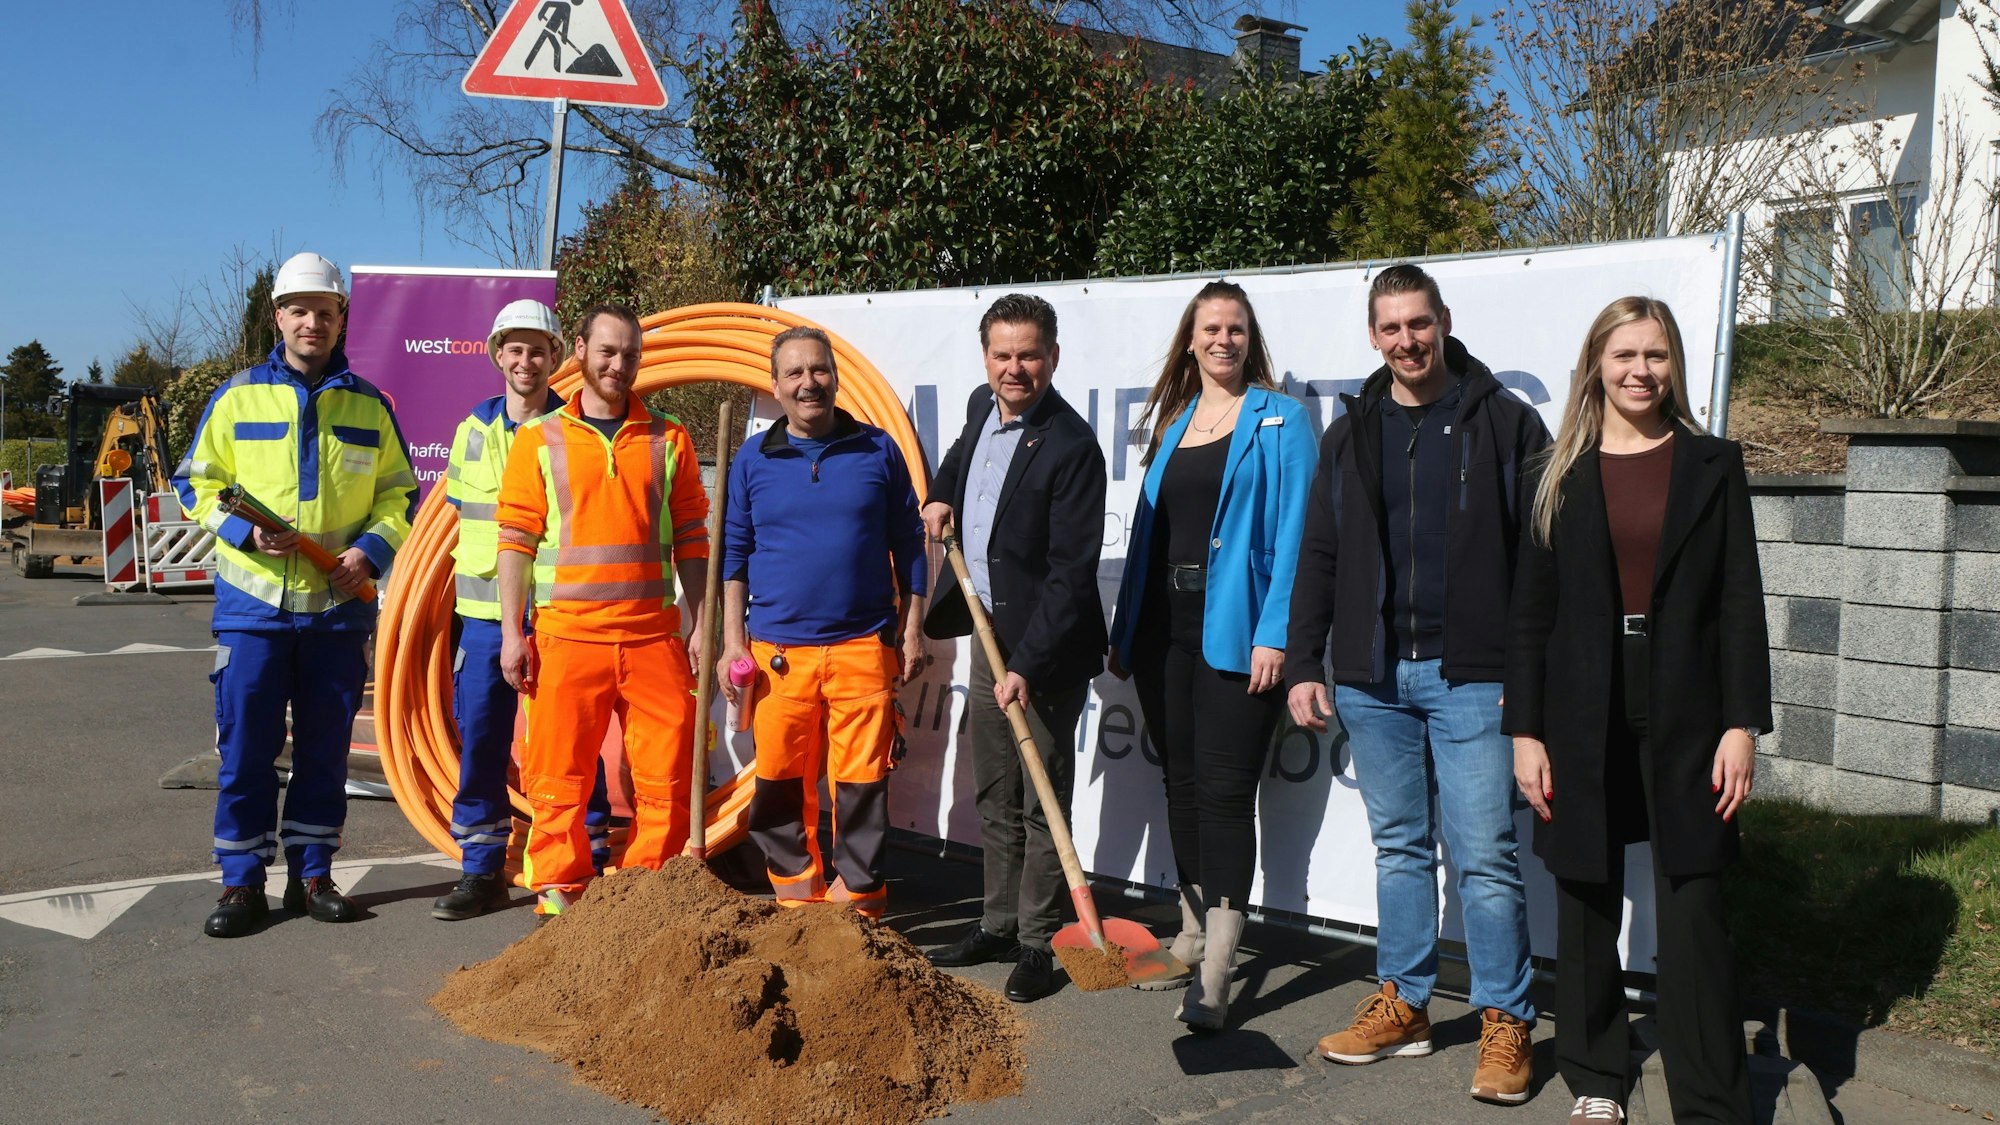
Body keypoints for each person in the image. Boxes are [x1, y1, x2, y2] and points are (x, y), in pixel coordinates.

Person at [1285, 264, 1547, 1105]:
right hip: (1372, 678)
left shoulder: (1505, 422)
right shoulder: (1350, 431)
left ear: (1443, 321)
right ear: (1373, 336)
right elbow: (1319, 552)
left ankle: (1507, 1018)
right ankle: (1404, 1000)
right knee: (1399, 847)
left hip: (1474, 677)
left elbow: (1543, 558)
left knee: (1484, 858)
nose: (1407, 340)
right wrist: (1303, 661)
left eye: (1418, 324)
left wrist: (1529, 670)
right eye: (1391, 327)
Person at [1505, 297, 1768, 1125]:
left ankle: (1710, 1095)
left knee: (1694, 899)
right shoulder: (1555, 472)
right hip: (1581, 698)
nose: (1641, 371)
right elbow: (1530, 611)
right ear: (1597, 363)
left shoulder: (1712, 464)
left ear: (1674, 363)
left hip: (1688, 699)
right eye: (1625, 354)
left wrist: (1741, 723)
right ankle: (1596, 1076)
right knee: (1585, 892)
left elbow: (1739, 599)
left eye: (1656, 355)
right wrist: (1526, 728)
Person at [175, 251, 419, 938]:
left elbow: (402, 493)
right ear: (278, 316)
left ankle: (312, 875)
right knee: (248, 748)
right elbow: (194, 481)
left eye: (325, 310)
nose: (312, 321)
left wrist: (367, 552)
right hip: (254, 612)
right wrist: (245, 538)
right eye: (299, 309)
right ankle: (240, 883)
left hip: (338, 612)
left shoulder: (370, 406)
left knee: (323, 751)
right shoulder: (236, 395)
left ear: (343, 318)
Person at [1105, 281, 1316, 1028]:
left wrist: (1277, 631)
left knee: (1225, 795)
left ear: (1248, 338)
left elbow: (1298, 534)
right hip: (1165, 629)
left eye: (1235, 327)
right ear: (1189, 341)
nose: (1222, 339)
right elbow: (1147, 537)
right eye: (1210, 328)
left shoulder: (1284, 419)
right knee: (1183, 786)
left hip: (1238, 630)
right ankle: (1192, 931)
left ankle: (1221, 964)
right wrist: (1126, 629)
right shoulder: (1174, 421)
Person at [493, 303, 710, 920]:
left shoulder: (670, 437)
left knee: (667, 772)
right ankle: (561, 892)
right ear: (581, 351)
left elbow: (694, 537)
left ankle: (650, 891)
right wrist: (514, 633)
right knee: (558, 773)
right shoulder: (540, 440)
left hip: (653, 638)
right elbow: (515, 541)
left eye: (631, 354)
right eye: (608, 352)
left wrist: (700, 624)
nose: (620, 364)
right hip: (567, 638)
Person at [920, 293, 1108, 1004]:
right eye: (1002, 354)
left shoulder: (1072, 445)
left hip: (1044, 651)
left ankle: (1036, 940)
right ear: (986, 358)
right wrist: (942, 492)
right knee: (995, 789)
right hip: (987, 631)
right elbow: (959, 455)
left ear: (1052, 357)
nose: (1014, 367)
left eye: (1029, 353)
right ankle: (997, 921)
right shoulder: (980, 405)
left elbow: (1070, 572)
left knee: (1040, 800)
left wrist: (1027, 664)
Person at [717, 326, 927, 920]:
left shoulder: (878, 449)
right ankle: (798, 903)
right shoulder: (753, 459)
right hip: (779, 654)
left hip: (863, 646)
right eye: (795, 373)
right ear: (776, 386)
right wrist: (733, 642)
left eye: (819, 370)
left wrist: (912, 630)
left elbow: (910, 546)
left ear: (834, 376)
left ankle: (860, 906)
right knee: (779, 785)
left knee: (861, 787)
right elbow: (734, 556)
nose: (809, 383)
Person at [431, 298, 614, 921]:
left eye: (538, 349)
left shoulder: (577, 431)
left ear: (556, 358)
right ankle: (481, 870)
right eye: (515, 348)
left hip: (559, 620)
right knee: (482, 743)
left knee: (571, 746)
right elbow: (461, 521)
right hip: (484, 620)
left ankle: (581, 865)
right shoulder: (471, 432)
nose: (526, 360)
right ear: (497, 355)